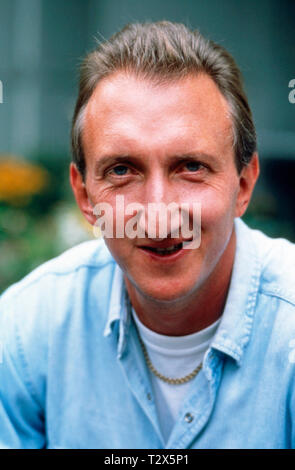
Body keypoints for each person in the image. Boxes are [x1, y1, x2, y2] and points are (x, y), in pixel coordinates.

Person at [0, 21, 295, 450]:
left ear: (244, 185)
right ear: (84, 195)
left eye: (191, 166)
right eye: (122, 170)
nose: (157, 215)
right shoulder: (27, 330)